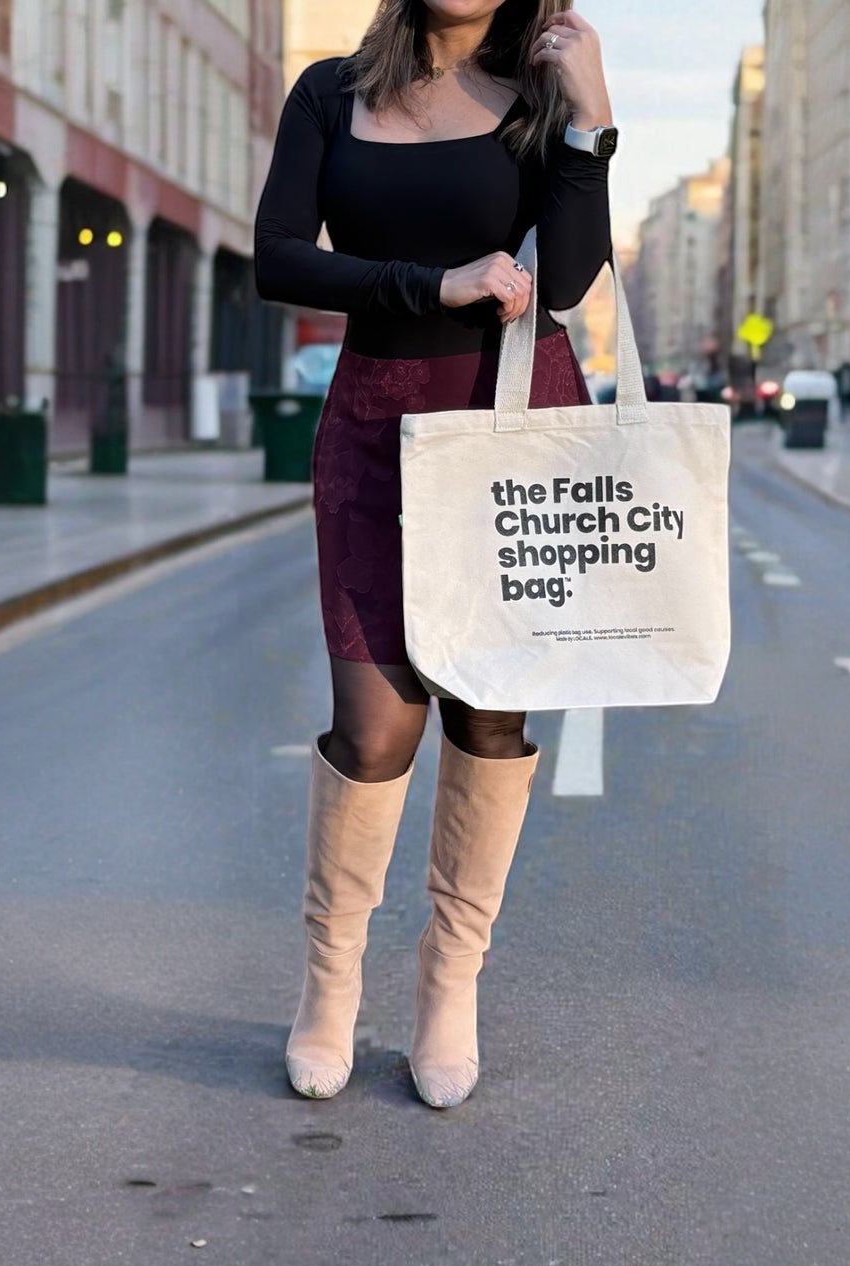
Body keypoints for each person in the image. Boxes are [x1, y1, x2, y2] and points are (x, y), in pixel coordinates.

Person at [253, 0, 614, 1107]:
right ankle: (329, 981)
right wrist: (433, 282)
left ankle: (449, 982)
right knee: (373, 726)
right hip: (373, 421)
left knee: (488, 710)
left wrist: (591, 121)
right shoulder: (331, 89)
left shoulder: (542, 92)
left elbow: (562, 285)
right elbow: (278, 261)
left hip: (508, 424)